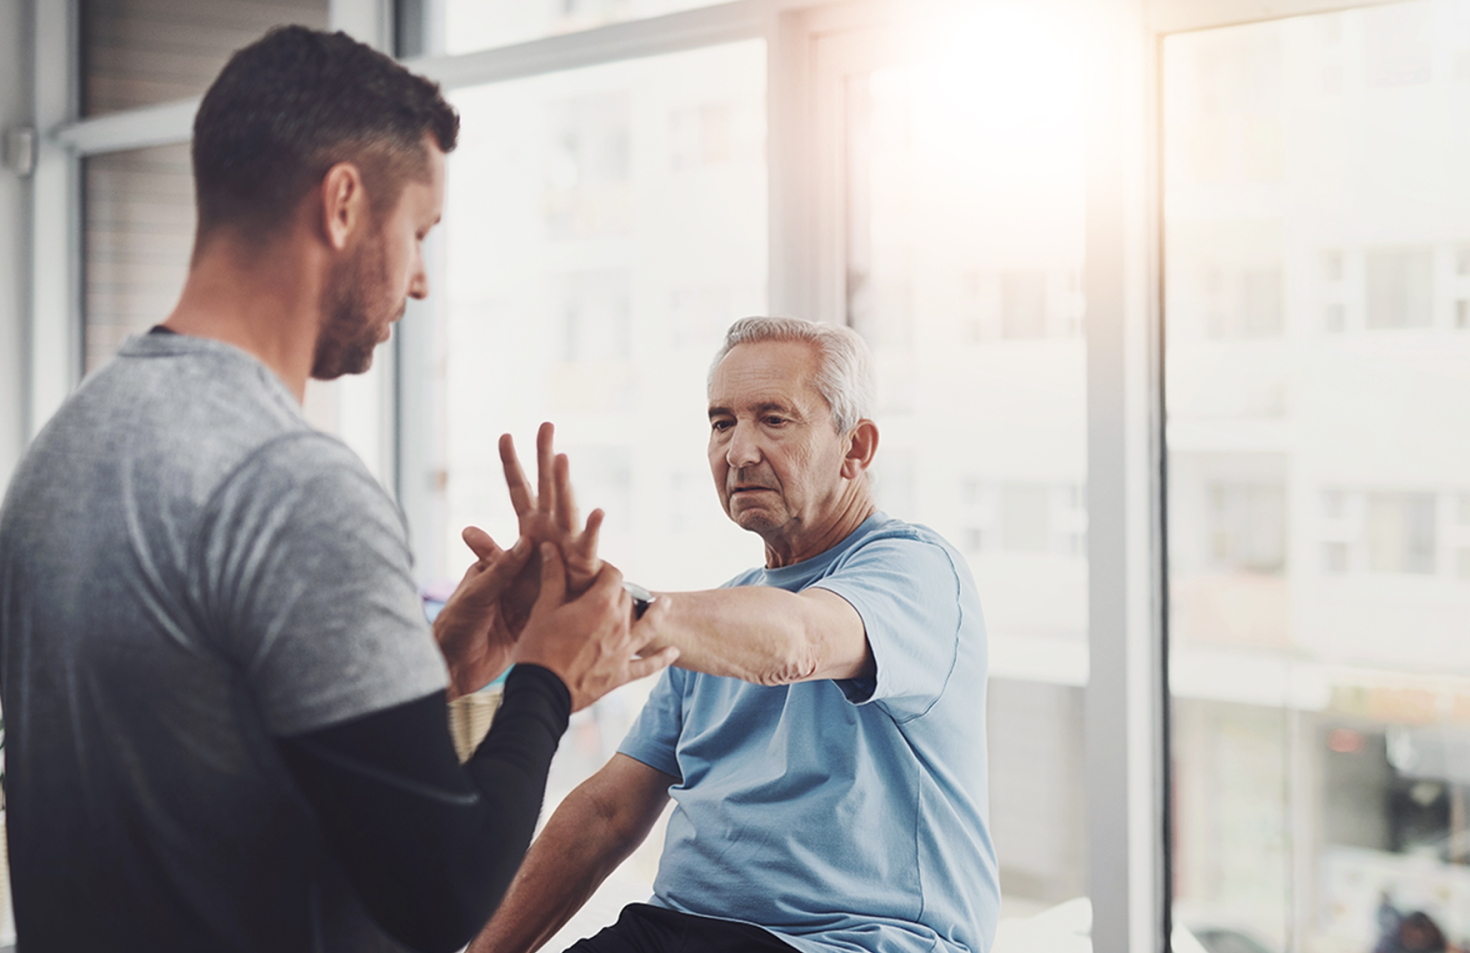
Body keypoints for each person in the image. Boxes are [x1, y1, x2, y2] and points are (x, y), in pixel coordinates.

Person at [0, 26, 674, 953]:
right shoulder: (290, 484)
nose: (423, 281)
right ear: (345, 203)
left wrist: (428, 668)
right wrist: (549, 679)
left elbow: (194, 762)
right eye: (420, 233)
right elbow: (443, 894)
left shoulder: (68, 442)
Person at [471, 317, 1000, 953]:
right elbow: (607, 813)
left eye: (773, 419)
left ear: (855, 449)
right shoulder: (717, 616)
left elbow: (798, 641)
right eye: (723, 423)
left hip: (852, 941)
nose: (739, 451)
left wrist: (598, 609)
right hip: (676, 930)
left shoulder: (915, 569)